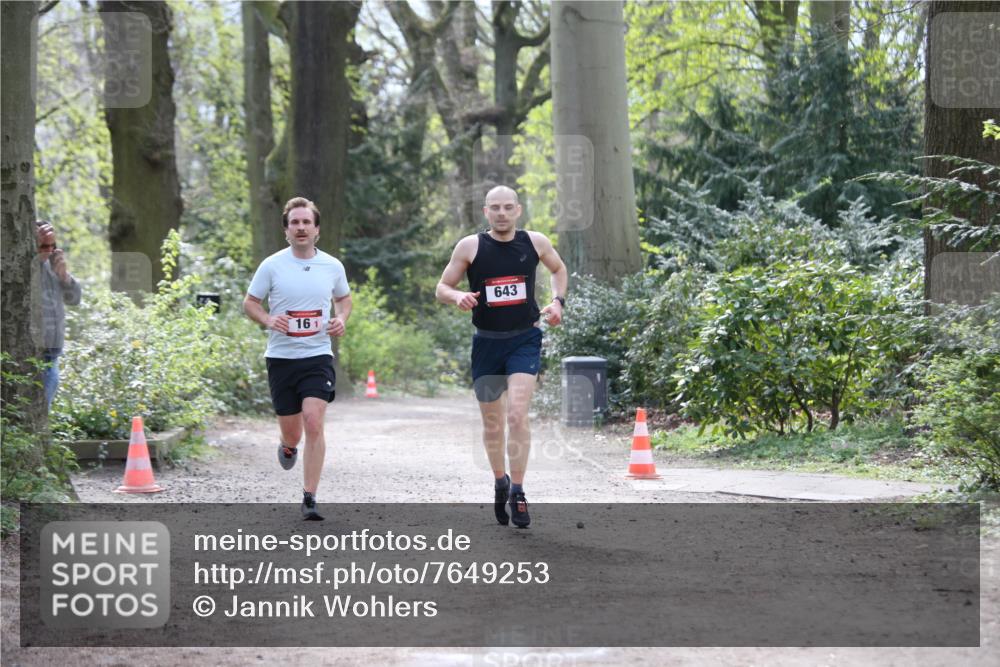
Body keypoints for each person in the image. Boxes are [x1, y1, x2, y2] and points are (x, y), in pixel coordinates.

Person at [436, 186, 567, 528]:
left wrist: (557, 302)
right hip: (487, 344)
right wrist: (457, 296)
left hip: (525, 339)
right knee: (493, 425)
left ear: (518, 210)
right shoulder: (470, 246)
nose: (502, 213)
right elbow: (442, 288)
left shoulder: (535, 242)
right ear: (486, 212)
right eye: (495, 207)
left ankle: (518, 491)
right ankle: (500, 482)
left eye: (508, 207)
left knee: (517, 415)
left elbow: (558, 270)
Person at [243, 196, 352, 521]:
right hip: (281, 358)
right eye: (295, 223)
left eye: (307, 222)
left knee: (314, 421)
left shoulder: (332, 266)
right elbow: (250, 302)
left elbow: (344, 299)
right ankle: (287, 445)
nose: (301, 227)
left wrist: (341, 318)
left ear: (317, 229)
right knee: (293, 433)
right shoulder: (272, 265)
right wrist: (268, 319)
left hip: (317, 355)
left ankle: (309, 497)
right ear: (286, 230)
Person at [34, 220, 82, 408]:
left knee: (41, 412)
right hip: (32, 355)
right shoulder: (25, 267)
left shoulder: (53, 265)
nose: (48, 251)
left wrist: (64, 276)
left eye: (52, 246)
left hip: (52, 354)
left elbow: (74, 299)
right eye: (43, 246)